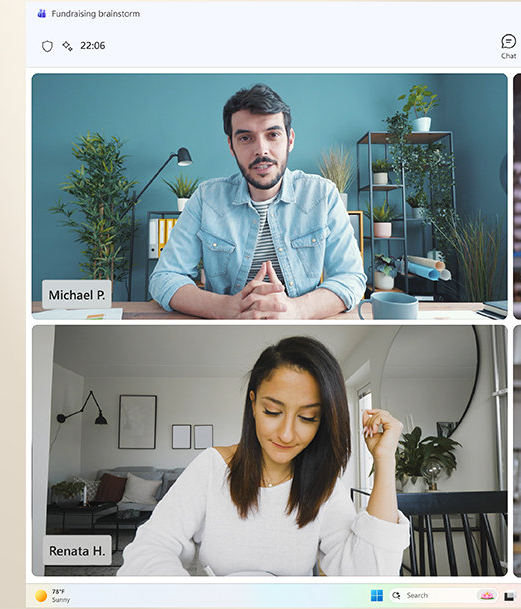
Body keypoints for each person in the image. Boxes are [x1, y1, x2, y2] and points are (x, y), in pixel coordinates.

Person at [118, 337, 408, 576]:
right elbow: (149, 549)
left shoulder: (325, 485)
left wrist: (385, 460)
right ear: (254, 404)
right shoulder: (211, 468)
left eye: (307, 417)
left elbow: (370, 576)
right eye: (273, 411)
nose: (286, 434)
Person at [149, 84, 365, 319]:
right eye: (245, 138)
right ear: (231, 146)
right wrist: (225, 307)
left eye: (273, 135)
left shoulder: (323, 195)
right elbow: (164, 278)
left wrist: (296, 310)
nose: (261, 150)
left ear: (290, 139)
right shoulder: (205, 198)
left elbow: (351, 278)